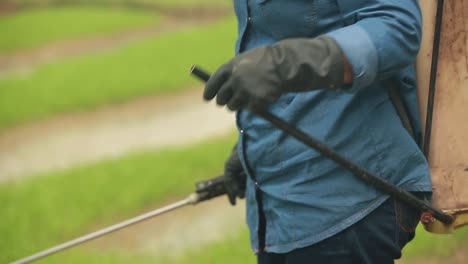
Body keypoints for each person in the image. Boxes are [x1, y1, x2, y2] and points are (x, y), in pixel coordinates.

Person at [203, 1, 432, 263]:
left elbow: (397, 27)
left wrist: (283, 64)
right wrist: (254, 150)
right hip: (276, 216)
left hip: (346, 203)